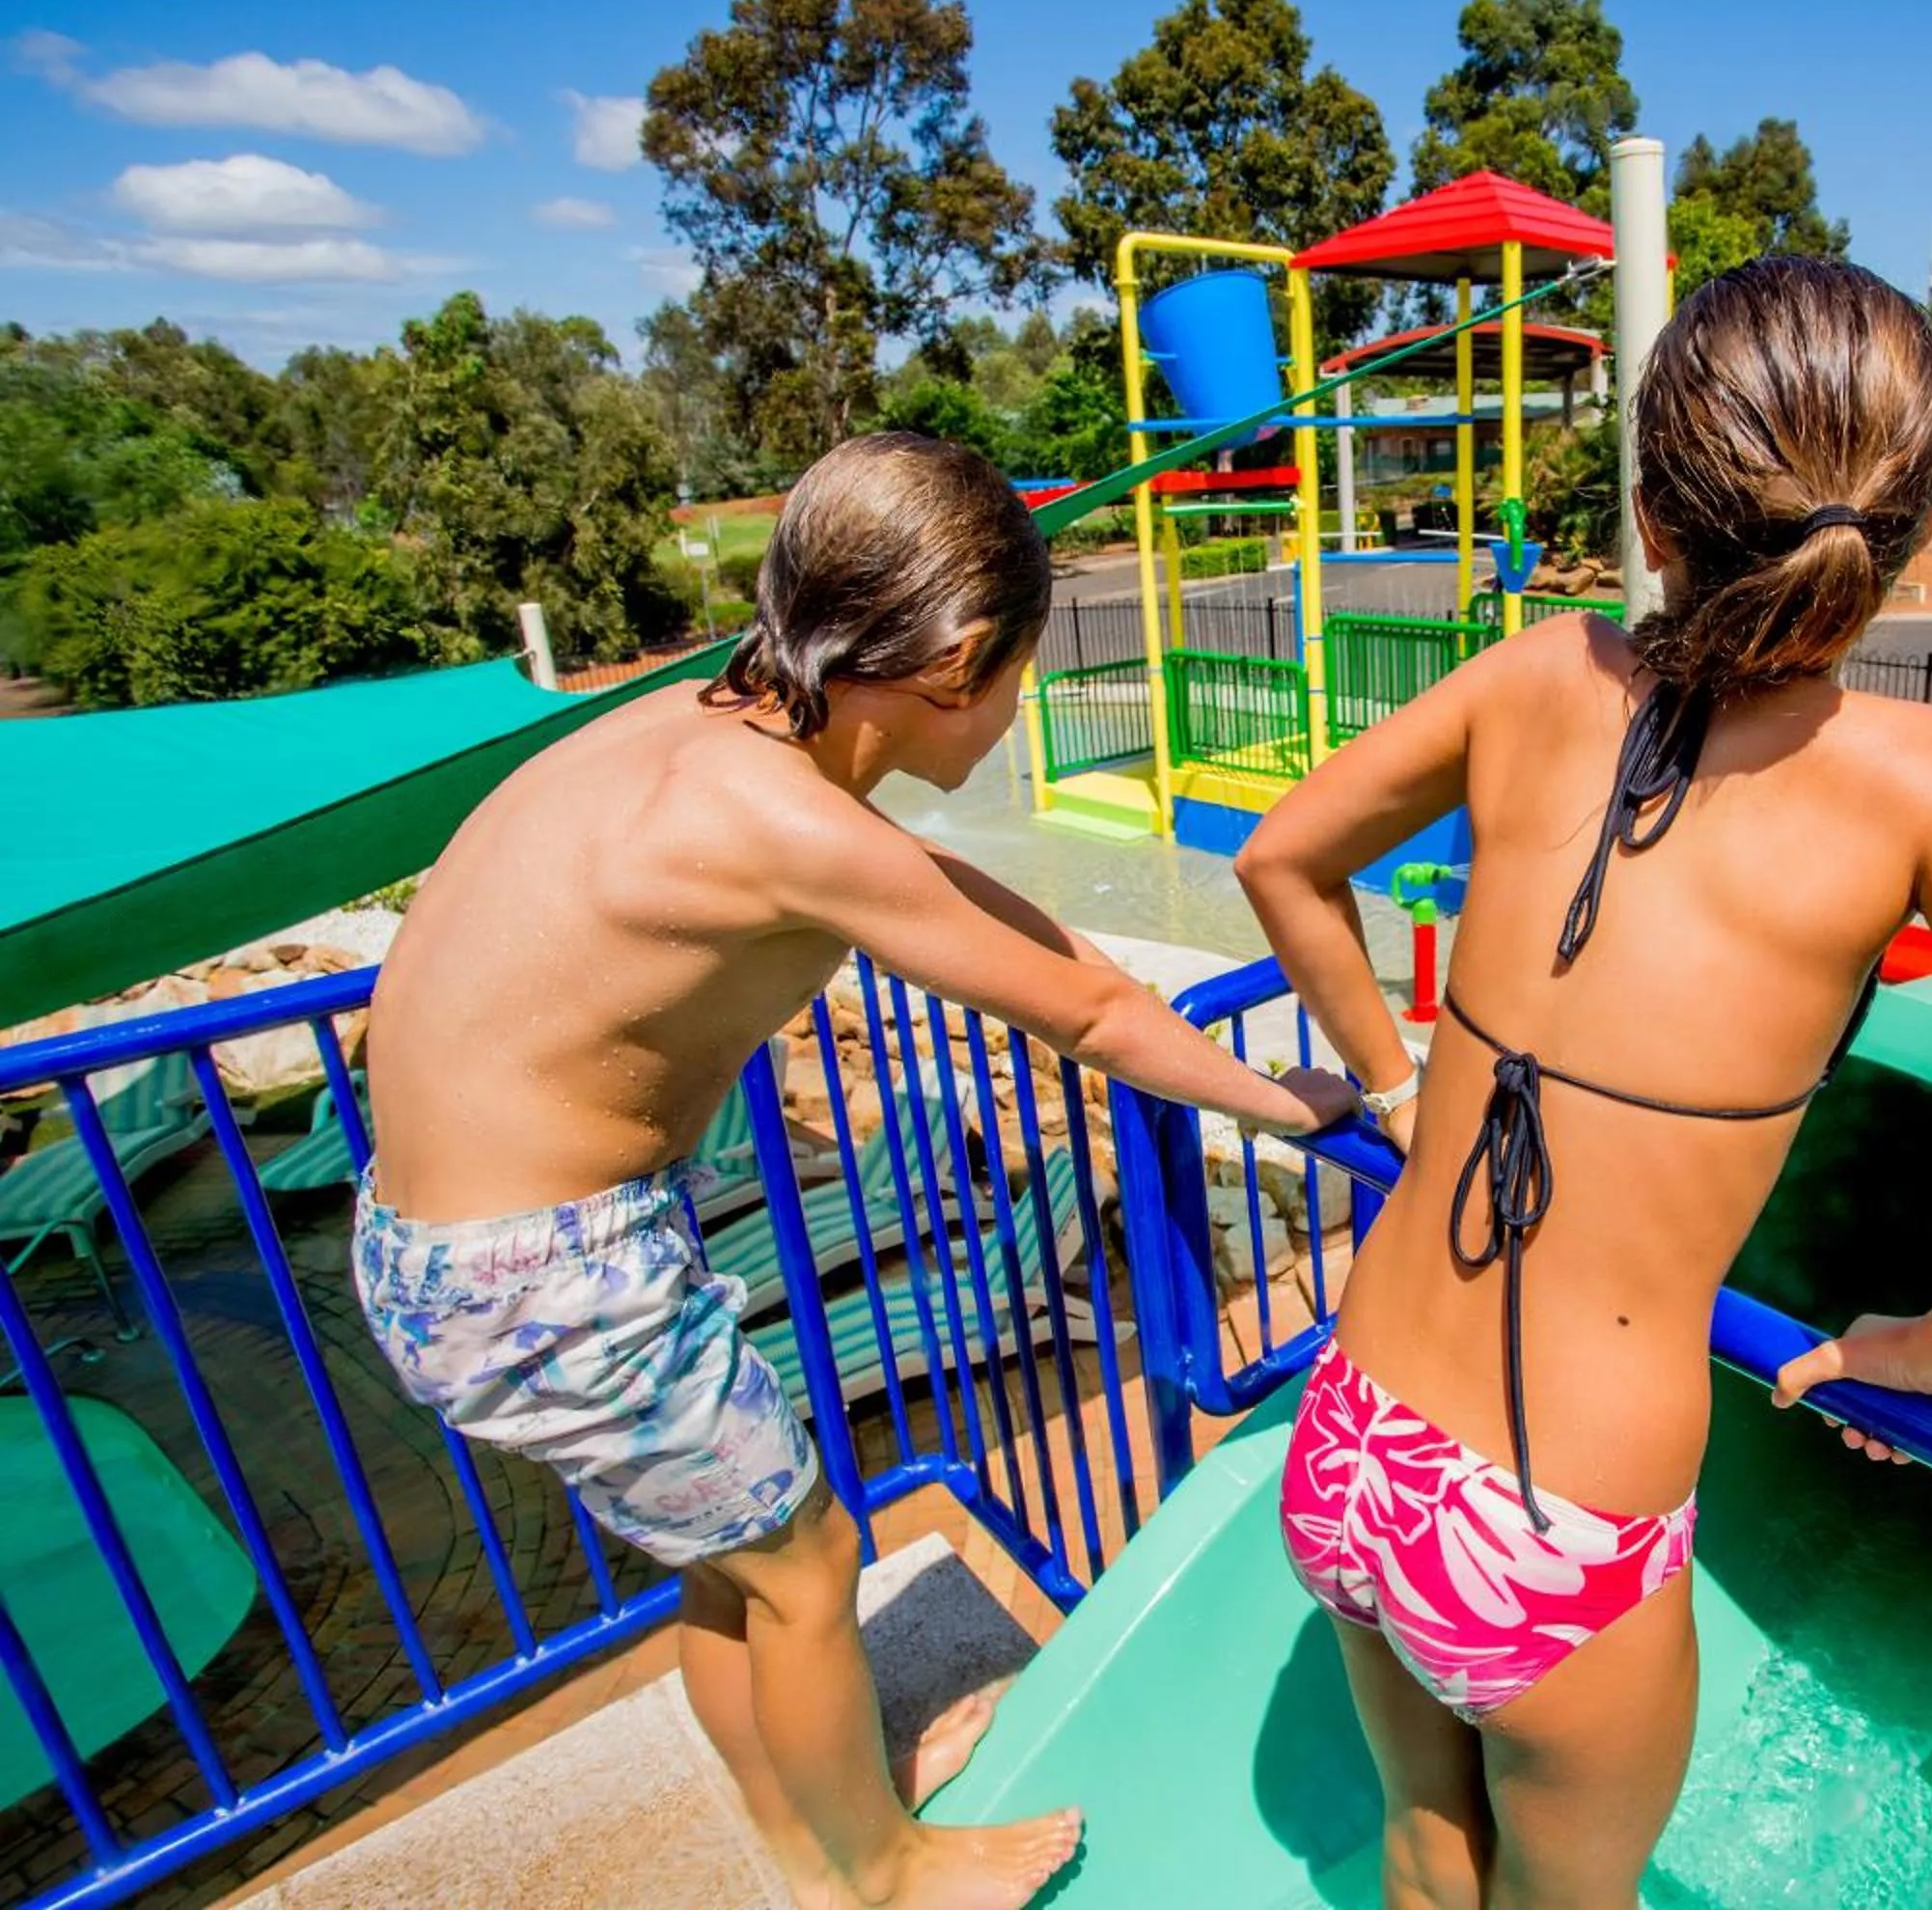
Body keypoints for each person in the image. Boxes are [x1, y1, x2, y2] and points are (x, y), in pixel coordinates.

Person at [1236, 258, 1932, 1908]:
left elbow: (1282, 858)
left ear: (1655, 512)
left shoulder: (1541, 674)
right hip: (1554, 1518)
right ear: (1897, 545)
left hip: (1352, 1437)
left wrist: (1397, 1093)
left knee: (1421, 1848)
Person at [356, 433, 1357, 1910]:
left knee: (738, 1565)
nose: (1016, 717)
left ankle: (804, 1835)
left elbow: (1031, 938)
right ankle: (880, 1874)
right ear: (957, 659)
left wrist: (1265, 1085)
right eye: (1019, 678)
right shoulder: (780, 820)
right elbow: (1085, 1012)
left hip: (467, 1240)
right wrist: (1293, 1111)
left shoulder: (707, 735)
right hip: (548, 1269)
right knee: (811, 1567)